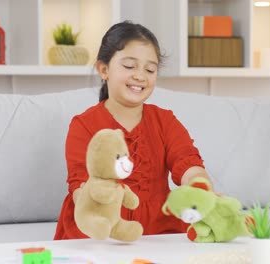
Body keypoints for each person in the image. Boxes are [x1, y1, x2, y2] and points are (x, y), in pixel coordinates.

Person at [54, 20, 213, 240]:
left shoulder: (165, 120)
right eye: (129, 66)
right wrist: (98, 220)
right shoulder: (83, 124)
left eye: (150, 69)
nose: (140, 75)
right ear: (104, 69)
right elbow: (79, 185)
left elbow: (188, 163)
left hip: (159, 227)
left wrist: (200, 189)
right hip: (100, 226)